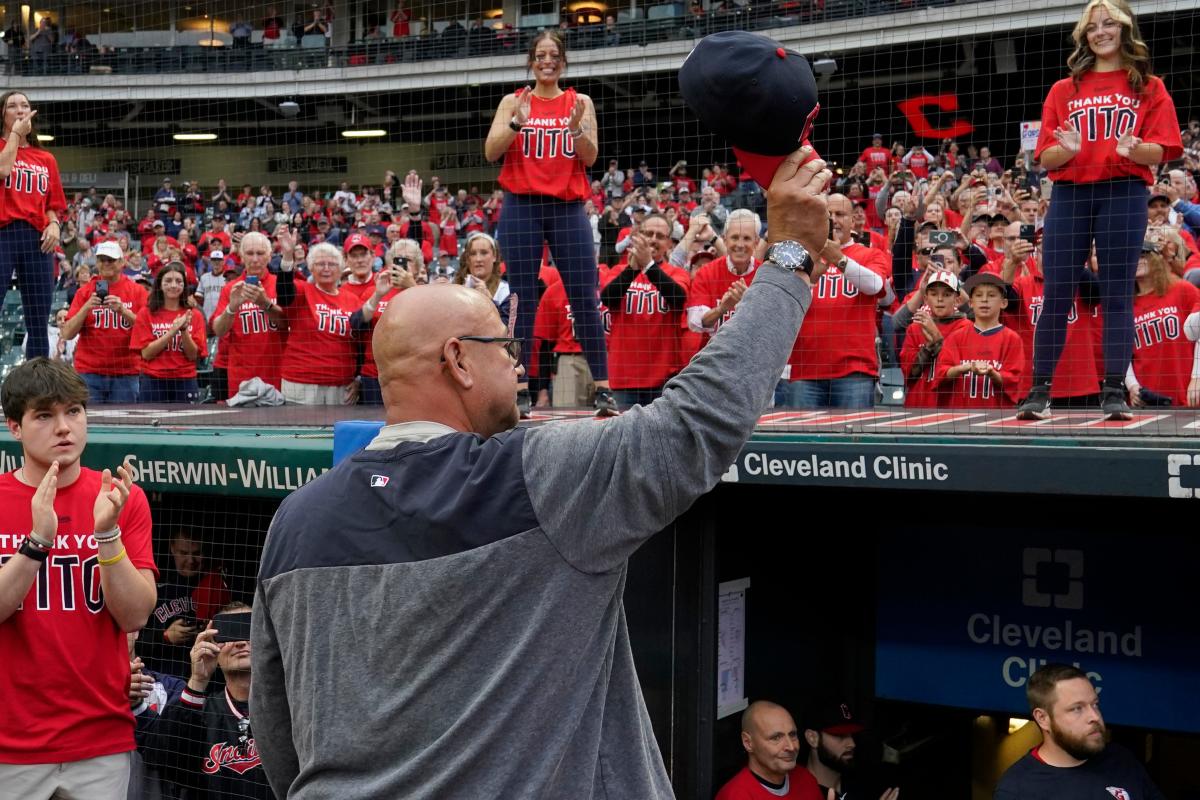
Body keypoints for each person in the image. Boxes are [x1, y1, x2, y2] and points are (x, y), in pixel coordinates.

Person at [249, 146, 833, 799]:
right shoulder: (534, 476)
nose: (519, 363)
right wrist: (788, 260)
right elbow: (702, 421)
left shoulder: (294, 519)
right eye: (504, 345)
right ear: (459, 362)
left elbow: (279, 743)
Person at [0, 358, 157, 798]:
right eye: (44, 415)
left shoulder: (123, 498)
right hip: (10, 739)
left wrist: (106, 533)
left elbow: (135, 615)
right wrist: (37, 541)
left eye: (74, 411)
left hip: (100, 734)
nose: (64, 427)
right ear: (15, 426)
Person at [1018, 0, 1182, 420]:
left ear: (1125, 29)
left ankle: (1113, 391)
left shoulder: (1149, 85)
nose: (1100, 32)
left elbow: (1159, 150)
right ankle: (1039, 392)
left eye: (1109, 23)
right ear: (1084, 35)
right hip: (1071, 193)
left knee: (1116, 292)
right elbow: (1045, 159)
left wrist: (1134, 148)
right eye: (1093, 26)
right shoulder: (1063, 88)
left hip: (1124, 191)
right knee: (1056, 292)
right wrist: (1066, 149)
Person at [484, 30, 616, 417]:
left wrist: (575, 128)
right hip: (521, 205)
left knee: (584, 297)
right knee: (521, 299)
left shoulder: (581, 102)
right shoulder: (513, 100)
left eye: (553, 54)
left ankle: (603, 390)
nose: (546, 60)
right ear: (531, 60)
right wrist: (515, 124)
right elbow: (491, 151)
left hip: (567, 206)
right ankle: (519, 389)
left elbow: (590, 158)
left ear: (562, 61)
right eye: (540, 54)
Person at [143, 602, 274, 800]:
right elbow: (163, 761)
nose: (240, 643)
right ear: (212, 645)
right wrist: (198, 680)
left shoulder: (287, 708)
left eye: (248, 629)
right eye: (230, 633)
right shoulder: (200, 709)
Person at [994, 664, 1165, 800]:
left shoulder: (1121, 760)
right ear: (1042, 718)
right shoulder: (1017, 789)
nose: (1094, 716)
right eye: (1077, 709)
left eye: (1095, 704)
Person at [599, 211, 690, 406]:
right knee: (622, 436)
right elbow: (608, 298)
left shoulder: (677, 273)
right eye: (648, 234)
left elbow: (678, 297)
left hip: (664, 379)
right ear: (637, 236)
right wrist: (633, 269)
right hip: (623, 379)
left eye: (660, 236)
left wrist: (648, 265)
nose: (653, 240)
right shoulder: (618, 271)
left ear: (669, 243)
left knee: (661, 436)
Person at [0, 91, 66, 360]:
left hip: (37, 239)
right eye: (12, 106)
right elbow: (3, 170)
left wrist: (54, 223)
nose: (19, 109)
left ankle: (37, 390)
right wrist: (15, 135)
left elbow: (52, 203)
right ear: (3, 114)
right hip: (3, 235)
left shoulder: (45, 158)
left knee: (38, 320)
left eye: (24, 105)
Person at [273, 234, 362, 405]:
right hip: (302, 385)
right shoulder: (302, 290)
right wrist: (287, 257)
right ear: (311, 268)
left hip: (341, 385)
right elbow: (284, 294)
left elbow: (359, 342)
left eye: (332, 264)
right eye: (320, 264)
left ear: (341, 268)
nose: (326, 268)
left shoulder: (353, 300)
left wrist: (358, 378)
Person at [60, 240, 148, 403]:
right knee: (89, 425)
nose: (106, 264)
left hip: (125, 373)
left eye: (111, 260)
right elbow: (67, 333)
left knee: (122, 427)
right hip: (89, 372)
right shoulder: (84, 292)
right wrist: (86, 308)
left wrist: (123, 311)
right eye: (102, 260)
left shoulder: (137, 291)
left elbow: (147, 330)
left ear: (122, 262)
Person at [139, 527, 232, 679]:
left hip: (209, 679)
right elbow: (131, 643)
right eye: (183, 553)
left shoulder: (218, 585)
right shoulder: (152, 586)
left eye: (197, 553)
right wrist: (165, 637)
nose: (191, 561)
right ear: (172, 548)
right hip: (163, 682)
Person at [1126, 242, 1200, 407]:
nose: (1137, 260)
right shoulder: (1125, 304)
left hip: (1188, 389)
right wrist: (1132, 386)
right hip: (1148, 396)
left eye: (1143, 255)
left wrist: (1197, 377)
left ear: (1157, 260)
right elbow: (1118, 351)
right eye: (1132, 256)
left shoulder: (1182, 290)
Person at [937, 273, 1026, 407]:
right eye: (978, 295)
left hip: (998, 418)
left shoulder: (1012, 339)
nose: (984, 300)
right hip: (959, 418)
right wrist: (965, 368)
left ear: (1004, 303)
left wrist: (992, 373)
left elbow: (1014, 381)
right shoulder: (956, 337)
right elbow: (941, 374)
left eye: (991, 295)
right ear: (971, 302)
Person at [129, 262, 208, 404]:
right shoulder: (146, 313)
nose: (173, 285)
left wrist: (184, 331)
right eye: (168, 281)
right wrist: (172, 331)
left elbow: (193, 356)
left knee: (185, 426)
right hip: (153, 380)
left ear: (184, 285)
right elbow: (146, 353)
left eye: (178, 281)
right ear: (160, 284)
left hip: (185, 380)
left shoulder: (194, 315)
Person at [716, 701, 822, 800]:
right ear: (748, 743)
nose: (791, 747)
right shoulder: (736, 796)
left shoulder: (805, 779)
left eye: (792, 735)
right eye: (776, 738)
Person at [899, 269, 970, 408]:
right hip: (917, 404)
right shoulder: (915, 328)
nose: (939, 299)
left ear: (957, 299)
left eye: (947, 294)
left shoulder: (966, 328)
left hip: (951, 405)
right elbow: (909, 374)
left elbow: (957, 367)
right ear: (925, 298)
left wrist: (936, 338)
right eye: (933, 294)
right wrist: (928, 348)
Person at [802, 699, 898, 800]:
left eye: (851, 734)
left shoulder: (866, 786)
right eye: (840, 735)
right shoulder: (795, 793)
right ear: (812, 738)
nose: (852, 744)